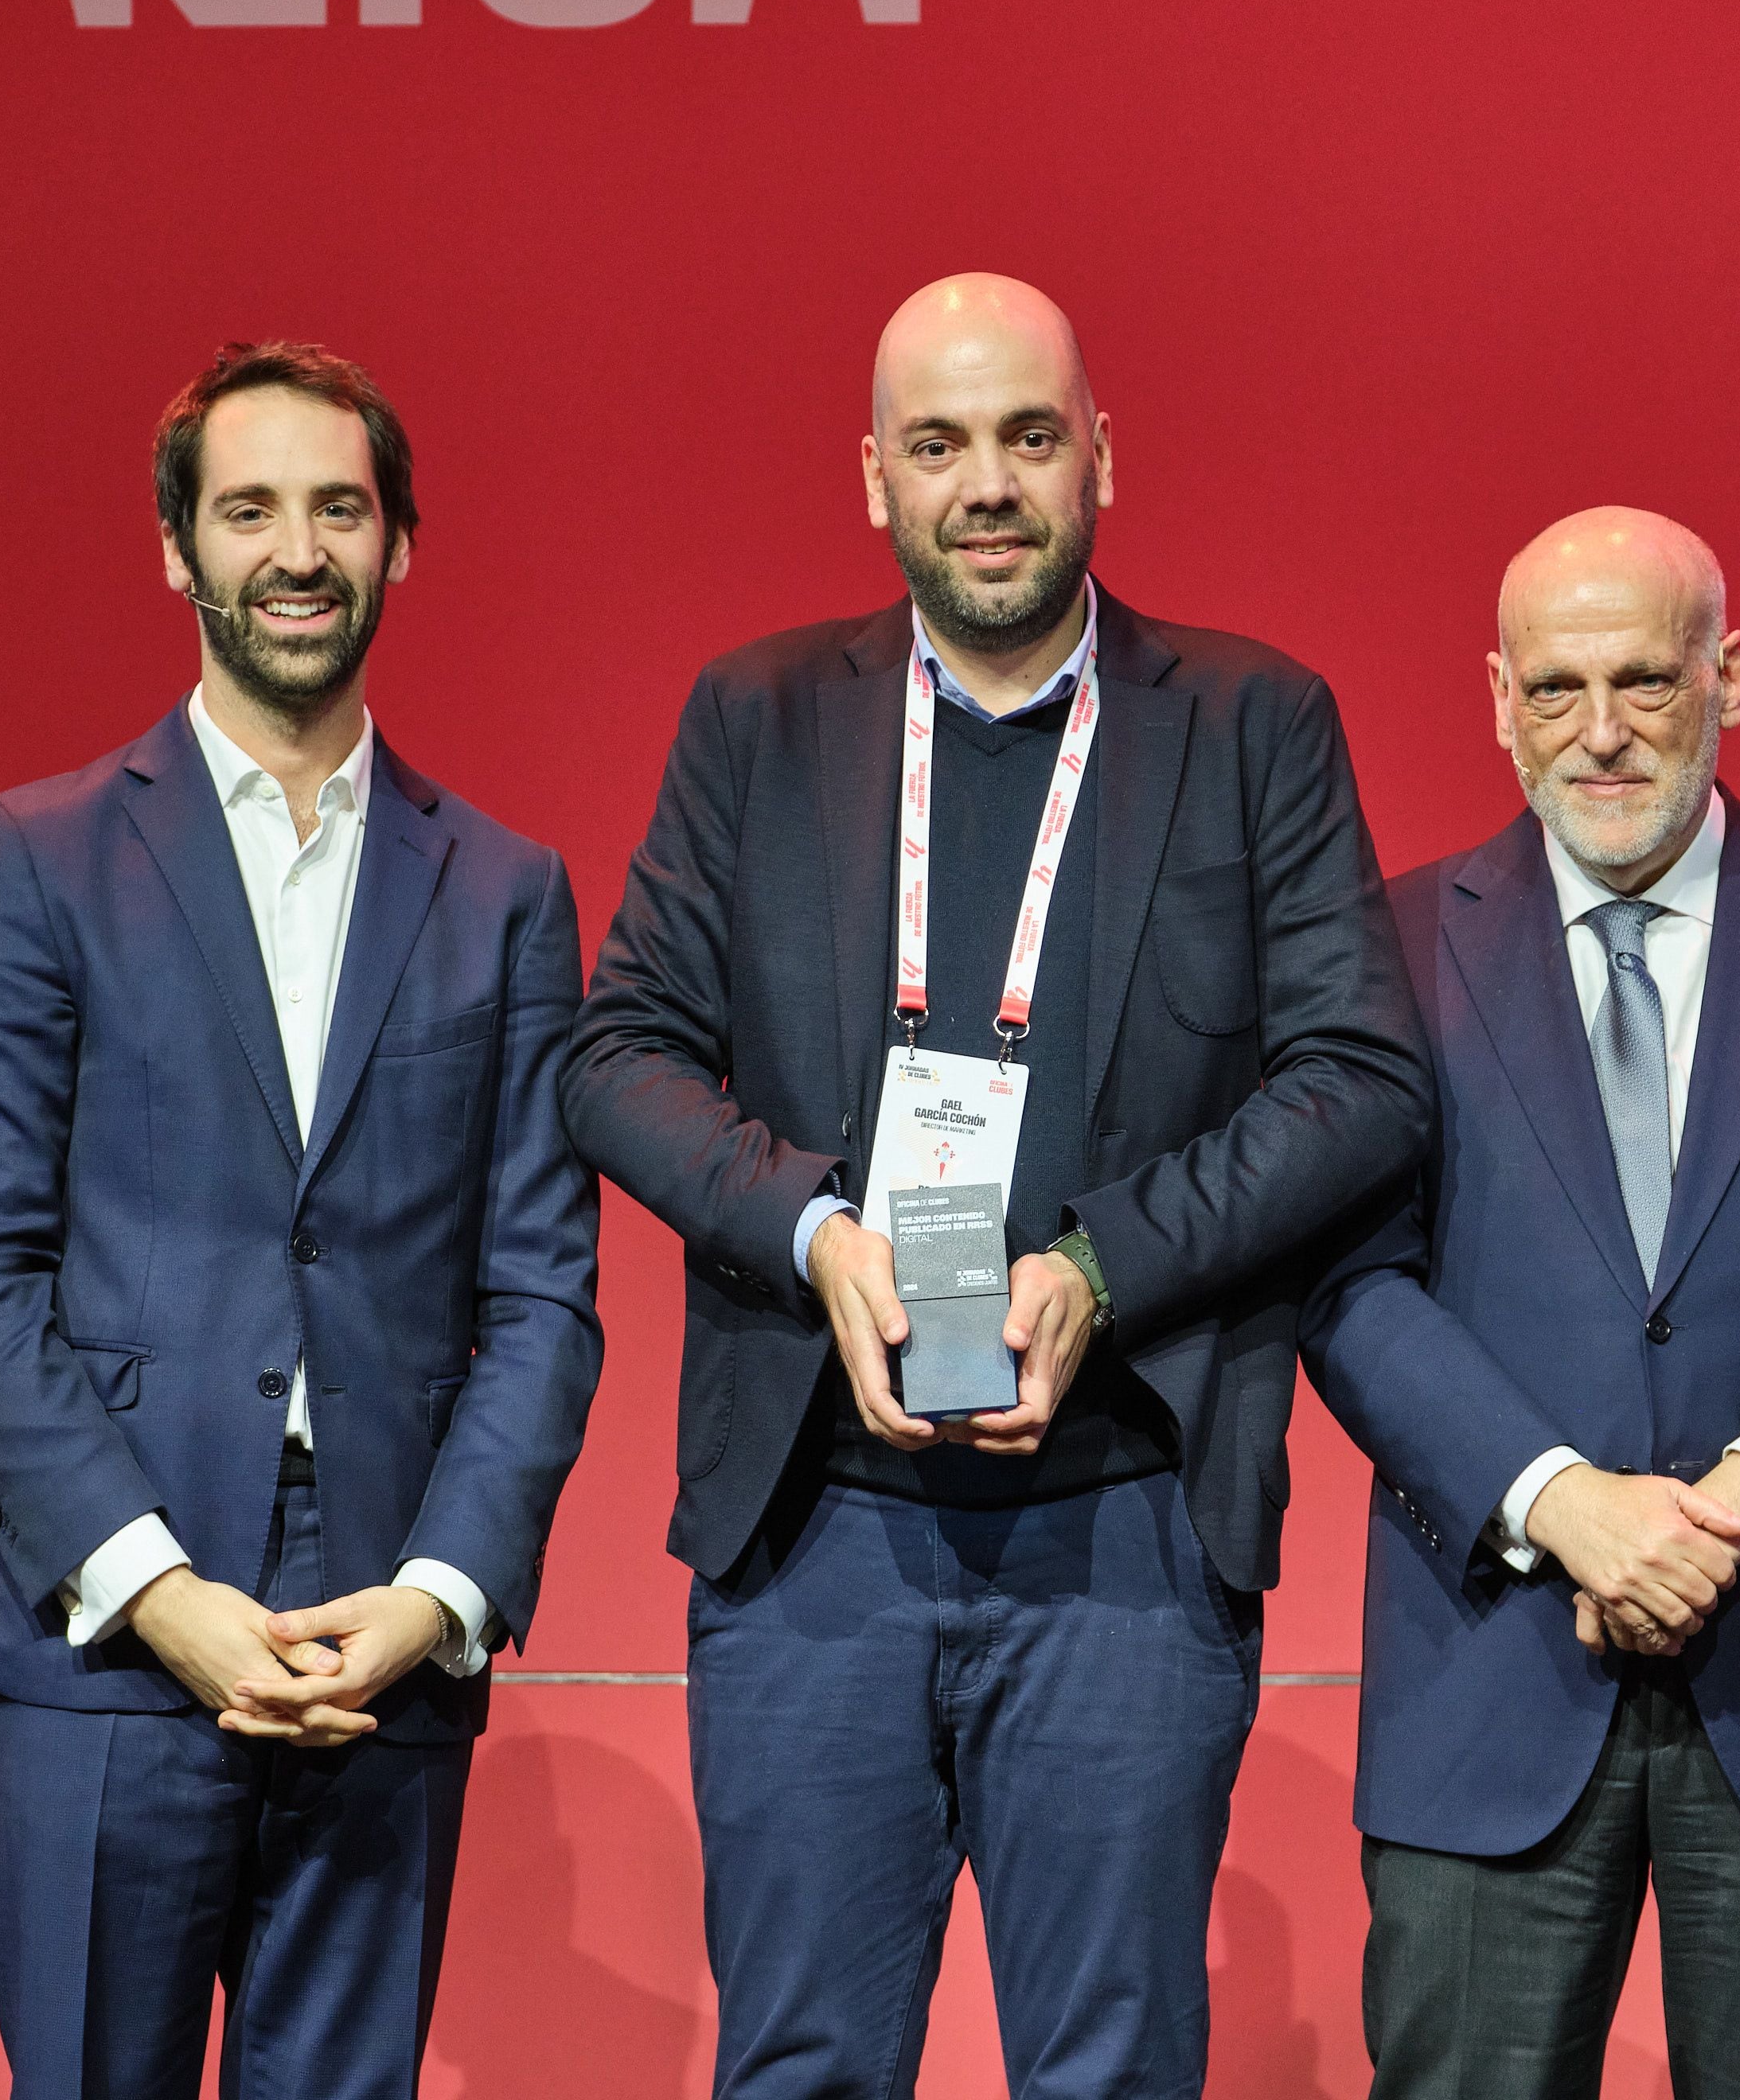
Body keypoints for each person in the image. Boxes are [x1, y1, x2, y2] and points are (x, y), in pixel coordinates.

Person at [562, 273, 1430, 2100]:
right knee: (798, 2068)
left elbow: (1359, 1081)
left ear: (1099, 456)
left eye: (1028, 436)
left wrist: (1096, 1269)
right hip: (814, 1535)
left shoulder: (1251, 722)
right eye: (938, 443)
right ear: (868, 477)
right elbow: (616, 1052)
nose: (987, 483)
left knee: (1109, 2075)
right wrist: (815, 1235)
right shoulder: (759, 716)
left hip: (1123, 1530)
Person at [0, 341, 601, 2098]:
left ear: (399, 545)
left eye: (338, 509)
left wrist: (440, 1594)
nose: (297, 549)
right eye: (250, 509)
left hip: (382, 1629)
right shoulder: (39, 854)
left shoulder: (504, 890)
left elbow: (540, 1292)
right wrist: (156, 1591)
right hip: (109, 1624)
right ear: (175, 549)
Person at [1300, 507, 1740, 2100]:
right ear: (1495, 698)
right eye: (1554, 689)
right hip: (1493, 1665)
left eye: (1643, 678)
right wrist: (1567, 1509)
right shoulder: (1393, 947)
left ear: (1730, 675)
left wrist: (1727, 1505)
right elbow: (1349, 1287)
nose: (1601, 733)